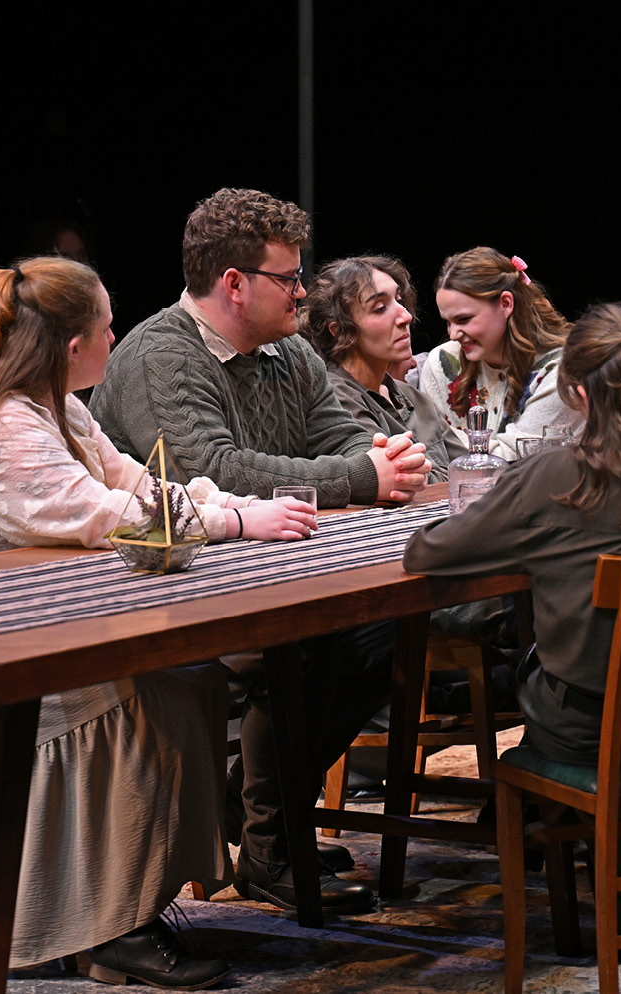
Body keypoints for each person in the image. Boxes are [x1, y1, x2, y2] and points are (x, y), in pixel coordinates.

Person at [0, 257, 320, 987]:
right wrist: (234, 517)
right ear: (73, 345)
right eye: (107, 326)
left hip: (10, 626)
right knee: (141, 696)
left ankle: (123, 909)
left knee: (188, 677)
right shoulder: (3, 420)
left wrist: (220, 506)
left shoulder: (54, 403)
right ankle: (109, 932)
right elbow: (103, 517)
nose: (117, 336)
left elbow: (134, 481)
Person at [91, 188, 431, 914]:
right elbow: (208, 472)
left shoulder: (285, 352)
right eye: (289, 278)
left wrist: (379, 455)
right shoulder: (163, 354)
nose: (304, 291)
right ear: (236, 284)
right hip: (160, 580)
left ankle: (264, 818)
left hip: (270, 565)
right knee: (301, 650)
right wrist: (360, 476)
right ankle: (273, 843)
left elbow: (337, 433)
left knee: (383, 634)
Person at [404, 301, 621, 941]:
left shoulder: (554, 479)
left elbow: (429, 554)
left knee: (565, 676)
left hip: (589, 728)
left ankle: (594, 900)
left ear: (574, 391)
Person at [300, 255, 465, 482]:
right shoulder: (333, 400)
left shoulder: (415, 398)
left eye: (399, 300)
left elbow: (474, 472)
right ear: (338, 331)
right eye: (379, 308)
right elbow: (400, 479)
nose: (405, 316)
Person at [418, 246, 578, 459]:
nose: (454, 334)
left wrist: (442, 439)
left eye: (464, 319)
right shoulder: (442, 363)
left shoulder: (560, 371)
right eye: (447, 322)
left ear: (505, 304)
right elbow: (430, 456)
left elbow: (515, 460)